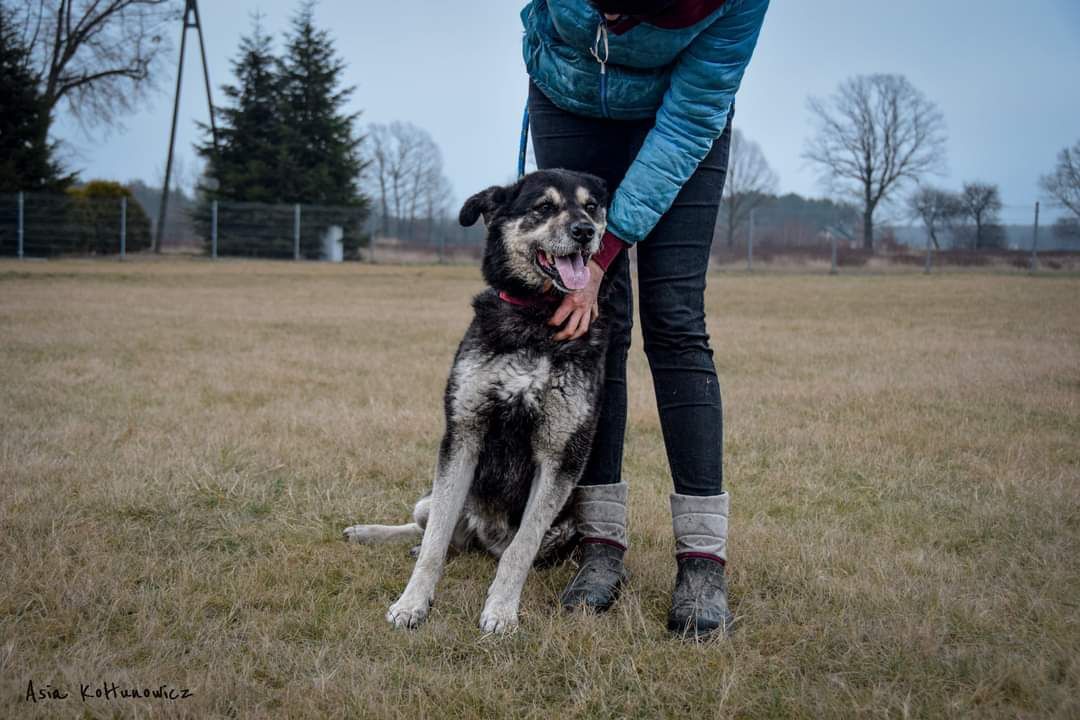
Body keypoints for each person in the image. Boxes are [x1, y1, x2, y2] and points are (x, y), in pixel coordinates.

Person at [519, 0, 769, 639]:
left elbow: (689, 123)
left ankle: (702, 562)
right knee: (593, 325)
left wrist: (604, 250)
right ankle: (601, 545)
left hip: (680, 118)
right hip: (570, 99)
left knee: (676, 320)